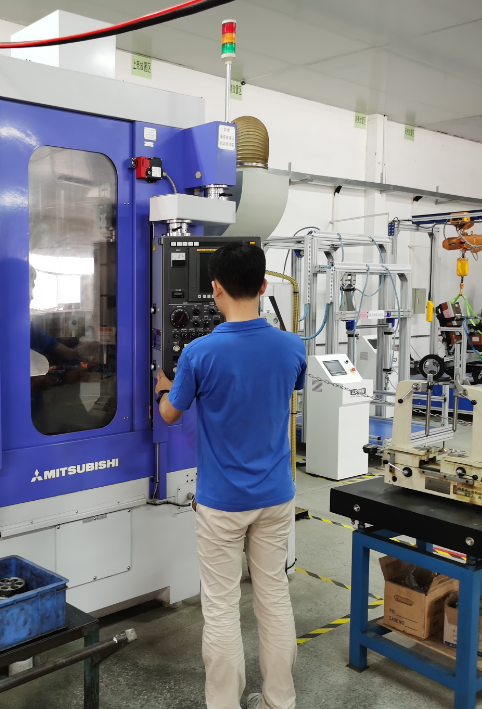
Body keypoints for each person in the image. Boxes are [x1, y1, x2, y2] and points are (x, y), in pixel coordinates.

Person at [155, 242, 305, 709]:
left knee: (221, 606)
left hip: (222, 502)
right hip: (276, 495)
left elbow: (171, 414)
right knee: (274, 597)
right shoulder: (292, 346)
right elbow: (282, 387)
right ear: (263, 286)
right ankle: (280, 701)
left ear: (215, 288)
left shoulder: (199, 352)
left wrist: (164, 389)